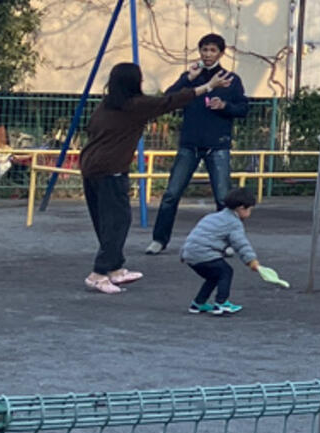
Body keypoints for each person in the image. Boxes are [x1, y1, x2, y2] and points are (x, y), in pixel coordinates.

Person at [78, 61, 198, 295]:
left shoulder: (106, 105)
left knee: (105, 220)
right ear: (136, 82)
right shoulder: (134, 106)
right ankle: (98, 273)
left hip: (91, 166)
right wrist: (204, 87)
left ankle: (114, 267)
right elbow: (167, 103)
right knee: (118, 221)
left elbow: (161, 101)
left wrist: (188, 78)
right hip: (110, 169)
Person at [144, 34, 250, 253]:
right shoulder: (191, 76)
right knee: (172, 194)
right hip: (189, 144)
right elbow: (168, 99)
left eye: (212, 50)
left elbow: (243, 109)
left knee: (223, 197)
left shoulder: (231, 79)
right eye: (204, 50)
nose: (208, 54)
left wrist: (225, 106)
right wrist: (188, 80)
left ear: (221, 53)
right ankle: (160, 240)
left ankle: (228, 241)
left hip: (217, 145)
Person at [182, 191, 270, 315]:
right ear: (241, 208)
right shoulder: (234, 223)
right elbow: (241, 244)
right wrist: (251, 261)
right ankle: (221, 303)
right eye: (250, 210)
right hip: (205, 254)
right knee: (226, 271)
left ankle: (198, 303)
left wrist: (183, 253)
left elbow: (195, 235)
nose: (250, 213)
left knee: (214, 277)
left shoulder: (212, 217)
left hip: (190, 254)